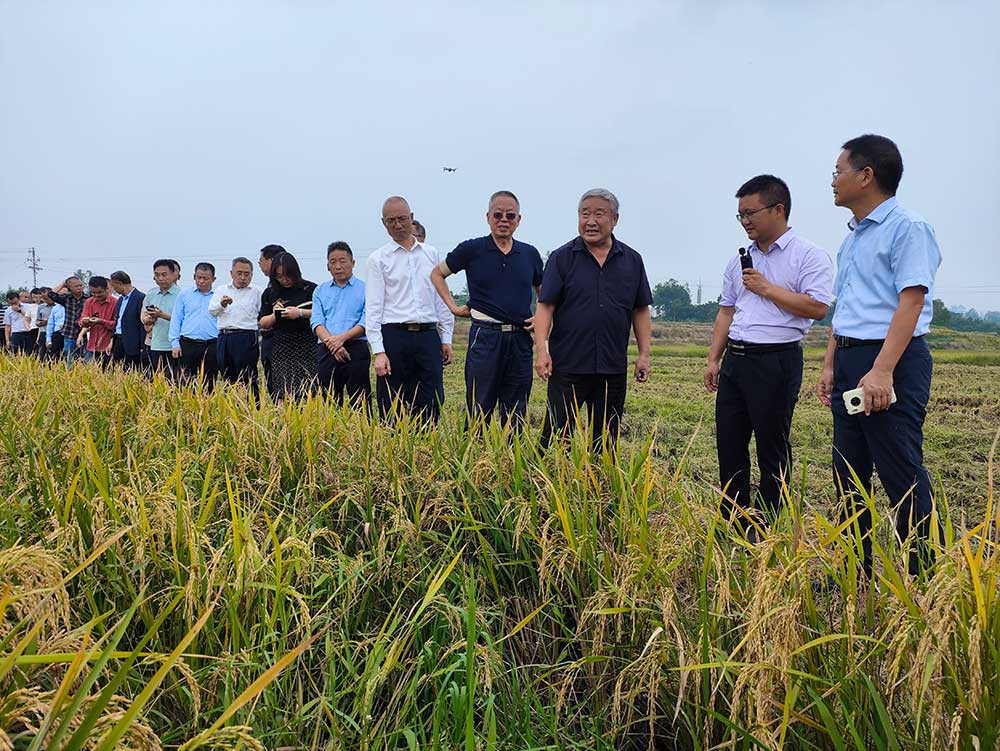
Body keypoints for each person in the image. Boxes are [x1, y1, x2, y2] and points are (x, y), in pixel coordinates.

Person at [816, 134, 943, 579]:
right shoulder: (853, 236)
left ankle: (926, 580)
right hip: (851, 358)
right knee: (848, 473)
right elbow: (847, 307)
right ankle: (855, 572)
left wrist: (882, 370)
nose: (833, 180)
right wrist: (831, 363)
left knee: (900, 471)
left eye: (838, 171)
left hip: (891, 360)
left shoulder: (907, 227)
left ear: (866, 175)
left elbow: (911, 302)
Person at [704, 175, 833, 534]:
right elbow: (726, 311)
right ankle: (733, 518)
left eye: (751, 213)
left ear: (778, 209)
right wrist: (714, 358)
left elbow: (818, 307)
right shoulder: (738, 260)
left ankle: (770, 524)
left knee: (771, 446)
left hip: (776, 360)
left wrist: (767, 288)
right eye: (740, 215)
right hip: (736, 359)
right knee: (729, 443)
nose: (745, 221)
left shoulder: (808, 255)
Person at [534, 189, 653, 453]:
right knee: (555, 437)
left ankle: (600, 478)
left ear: (615, 219)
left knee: (606, 440)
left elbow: (640, 309)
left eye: (599, 214)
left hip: (612, 366)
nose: (590, 221)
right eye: (584, 214)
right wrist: (541, 350)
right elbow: (545, 306)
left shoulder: (632, 260)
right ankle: (548, 477)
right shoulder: (561, 258)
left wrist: (644, 354)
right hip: (568, 365)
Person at [430, 190, 543, 429]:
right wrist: (452, 307)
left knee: (516, 410)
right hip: (485, 337)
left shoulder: (530, 254)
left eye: (510, 216)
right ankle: (475, 452)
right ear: (488, 217)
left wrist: (541, 317)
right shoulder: (472, 249)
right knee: (478, 407)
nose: (504, 220)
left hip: (520, 339)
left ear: (519, 219)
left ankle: (512, 452)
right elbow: (437, 274)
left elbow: (543, 293)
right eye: (498, 215)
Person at [366, 196, 454, 422]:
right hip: (394, 336)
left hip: (427, 336)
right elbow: (374, 308)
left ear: (411, 217)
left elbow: (440, 298)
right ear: (383, 223)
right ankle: (393, 442)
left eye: (402, 219)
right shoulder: (378, 259)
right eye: (391, 221)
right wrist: (379, 351)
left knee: (431, 398)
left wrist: (446, 338)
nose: (398, 225)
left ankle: (427, 441)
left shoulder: (431, 254)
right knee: (392, 401)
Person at [312, 241, 370, 407]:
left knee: (360, 401)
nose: (338, 266)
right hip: (327, 348)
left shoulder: (366, 289)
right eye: (333, 262)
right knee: (328, 400)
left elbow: (366, 321)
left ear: (353, 263)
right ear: (327, 266)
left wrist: (341, 339)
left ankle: (362, 425)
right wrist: (333, 344)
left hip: (356, 347)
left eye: (342, 261)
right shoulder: (320, 290)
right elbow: (317, 321)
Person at [259, 252, 317, 400]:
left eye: (287, 275)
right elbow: (263, 322)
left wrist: (300, 313)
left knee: (309, 391)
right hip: (282, 348)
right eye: (279, 276)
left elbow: (321, 315)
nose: (284, 280)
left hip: (307, 346)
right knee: (284, 393)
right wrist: (274, 314)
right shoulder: (270, 293)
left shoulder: (310, 289)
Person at [209, 256, 264, 397]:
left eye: (247, 274)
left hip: (246, 337)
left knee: (248, 377)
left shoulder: (257, 291)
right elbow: (212, 311)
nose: (243, 278)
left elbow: (263, 313)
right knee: (227, 376)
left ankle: (253, 406)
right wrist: (222, 304)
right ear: (231, 273)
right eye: (239, 273)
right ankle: (231, 406)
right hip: (225, 337)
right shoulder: (221, 290)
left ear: (252, 275)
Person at [169, 263, 219, 388]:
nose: (201, 281)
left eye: (205, 278)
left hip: (211, 345)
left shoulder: (218, 296)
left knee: (209, 382)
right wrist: (175, 343)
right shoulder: (184, 295)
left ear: (213, 279)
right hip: (187, 344)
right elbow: (176, 319)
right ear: (194, 277)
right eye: (198, 277)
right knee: (184, 381)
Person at [142, 259, 181, 379]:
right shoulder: (151, 294)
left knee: (174, 381)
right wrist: (149, 319)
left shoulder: (182, 294)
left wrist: (162, 315)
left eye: (164, 275)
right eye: (157, 275)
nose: (160, 278)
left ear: (173, 274)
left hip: (175, 346)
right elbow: (143, 317)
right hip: (156, 344)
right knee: (157, 380)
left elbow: (184, 321)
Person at [258, 244, 286, 395]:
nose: (260, 265)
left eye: (261, 261)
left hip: (288, 343)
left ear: (272, 261)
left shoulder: (300, 288)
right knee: (273, 387)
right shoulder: (268, 290)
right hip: (269, 341)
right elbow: (262, 320)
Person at [47, 276, 89, 365]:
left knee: (84, 357)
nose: (79, 288)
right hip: (69, 332)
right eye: (76, 286)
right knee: (68, 355)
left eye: (81, 285)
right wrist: (63, 283)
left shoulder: (88, 298)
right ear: (69, 288)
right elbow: (51, 294)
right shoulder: (66, 298)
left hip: (84, 332)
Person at [109, 271, 146, 370]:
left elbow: (142, 324)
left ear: (120, 283)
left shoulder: (140, 298)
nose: (114, 290)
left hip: (133, 342)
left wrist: (142, 346)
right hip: (118, 339)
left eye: (114, 287)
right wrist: (112, 340)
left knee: (131, 370)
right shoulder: (120, 300)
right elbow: (117, 320)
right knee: (116, 369)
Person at [77, 276, 118, 366]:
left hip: (109, 346)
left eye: (99, 292)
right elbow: (81, 321)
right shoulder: (89, 302)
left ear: (107, 289)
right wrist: (85, 321)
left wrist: (101, 321)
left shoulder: (115, 302)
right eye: (93, 292)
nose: (96, 295)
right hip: (92, 345)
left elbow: (117, 325)